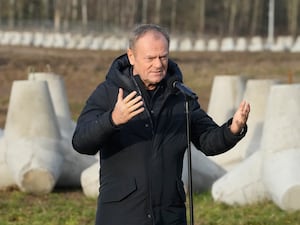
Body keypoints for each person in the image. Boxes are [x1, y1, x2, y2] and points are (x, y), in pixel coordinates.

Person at [72, 24, 250, 225]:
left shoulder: (181, 97)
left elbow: (208, 141)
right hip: (121, 215)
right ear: (131, 57)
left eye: (163, 57)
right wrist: (112, 120)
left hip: (170, 215)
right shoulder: (109, 93)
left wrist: (233, 129)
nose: (158, 64)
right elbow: (81, 142)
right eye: (150, 58)